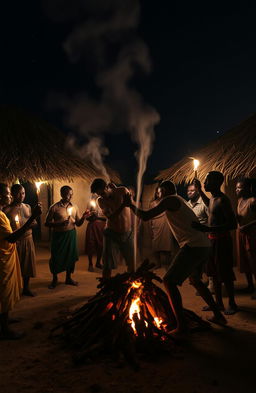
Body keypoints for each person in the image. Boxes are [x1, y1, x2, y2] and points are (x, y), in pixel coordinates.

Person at [124, 180, 226, 335]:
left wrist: (130, 204)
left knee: (169, 281)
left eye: (159, 191)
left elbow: (145, 216)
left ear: (164, 190)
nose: (157, 194)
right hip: (203, 245)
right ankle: (218, 316)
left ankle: (182, 326)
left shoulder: (169, 200)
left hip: (193, 246)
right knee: (196, 281)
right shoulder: (179, 200)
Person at [0, 183, 42, 339]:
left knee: (8, 288)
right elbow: (11, 237)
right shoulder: (2, 213)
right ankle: (4, 329)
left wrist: (32, 219)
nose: (10, 196)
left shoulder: (3, 213)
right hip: (4, 256)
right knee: (4, 291)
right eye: (8, 194)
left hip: (8, 254)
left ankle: (6, 318)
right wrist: (32, 217)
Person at [193, 171, 238, 315]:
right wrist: (199, 190)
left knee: (224, 273)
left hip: (222, 241)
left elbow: (232, 224)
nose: (204, 183)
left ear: (215, 182)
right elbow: (209, 204)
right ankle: (218, 304)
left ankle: (232, 303)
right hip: (212, 240)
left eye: (206, 181)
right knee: (213, 273)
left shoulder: (223, 200)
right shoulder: (213, 199)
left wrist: (207, 228)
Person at [45, 185, 88, 289]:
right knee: (56, 257)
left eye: (71, 194)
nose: (70, 197)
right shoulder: (54, 207)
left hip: (71, 234)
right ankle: (55, 279)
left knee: (70, 257)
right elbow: (46, 223)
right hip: (58, 236)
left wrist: (84, 217)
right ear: (62, 194)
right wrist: (59, 224)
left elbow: (78, 223)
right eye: (68, 194)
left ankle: (68, 278)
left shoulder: (74, 207)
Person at [90, 179, 134, 279]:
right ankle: (106, 286)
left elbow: (131, 204)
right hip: (111, 233)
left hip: (127, 233)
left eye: (102, 193)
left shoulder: (122, 191)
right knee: (107, 264)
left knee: (132, 262)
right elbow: (111, 217)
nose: (101, 196)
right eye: (99, 194)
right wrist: (123, 204)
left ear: (107, 187)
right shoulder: (100, 201)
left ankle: (131, 285)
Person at [4, 184, 37, 297]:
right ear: (12, 194)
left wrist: (32, 224)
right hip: (16, 241)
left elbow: (34, 222)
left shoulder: (27, 207)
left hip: (28, 239)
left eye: (23, 193)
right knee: (16, 266)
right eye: (18, 193)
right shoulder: (7, 210)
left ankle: (26, 288)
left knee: (28, 265)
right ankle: (16, 287)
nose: (21, 196)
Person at [187, 183, 213, 293]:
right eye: (188, 191)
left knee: (207, 261)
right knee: (196, 263)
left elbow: (210, 219)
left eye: (192, 190)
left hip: (205, 235)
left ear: (198, 191)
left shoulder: (204, 204)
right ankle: (200, 284)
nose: (189, 193)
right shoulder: (187, 205)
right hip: (193, 237)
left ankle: (211, 284)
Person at [236, 178, 256, 298]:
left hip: (251, 234)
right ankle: (250, 286)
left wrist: (246, 226)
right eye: (236, 188)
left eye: (240, 188)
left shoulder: (253, 201)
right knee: (244, 261)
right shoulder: (239, 200)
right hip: (241, 234)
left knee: (253, 261)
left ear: (248, 188)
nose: (237, 190)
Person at [150, 186, 176, 269]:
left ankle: (168, 264)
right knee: (155, 246)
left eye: (160, 192)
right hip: (156, 225)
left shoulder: (167, 202)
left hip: (166, 225)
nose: (158, 193)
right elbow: (150, 215)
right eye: (157, 192)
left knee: (167, 245)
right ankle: (158, 263)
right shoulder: (152, 203)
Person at [85, 198, 106, 272]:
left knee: (101, 245)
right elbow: (86, 216)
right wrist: (91, 215)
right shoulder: (91, 202)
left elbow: (109, 216)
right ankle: (90, 264)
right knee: (90, 244)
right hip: (92, 225)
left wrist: (98, 217)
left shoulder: (106, 201)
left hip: (101, 225)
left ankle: (98, 263)